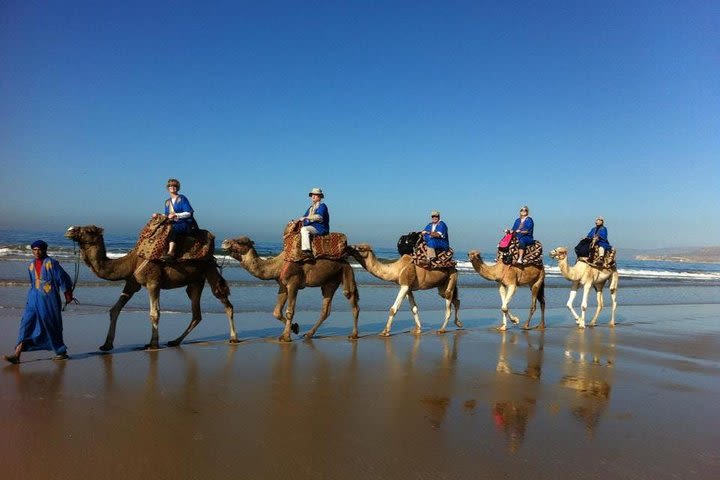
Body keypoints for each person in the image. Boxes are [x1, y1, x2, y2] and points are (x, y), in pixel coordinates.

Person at [4, 240, 74, 364]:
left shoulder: (52, 263)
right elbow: (33, 283)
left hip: (49, 300)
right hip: (33, 300)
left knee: (51, 325)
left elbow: (63, 278)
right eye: (34, 249)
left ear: (45, 250)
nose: (37, 252)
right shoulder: (30, 265)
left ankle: (61, 352)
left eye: (39, 249)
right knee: (25, 324)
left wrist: (68, 294)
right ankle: (17, 354)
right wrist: (30, 298)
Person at [153, 178, 197, 261]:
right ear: (168, 188)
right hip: (172, 222)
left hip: (185, 223)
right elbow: (167, 215)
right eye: (170, 186)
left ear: (178, 187)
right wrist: (158, 215)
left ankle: (171, 252)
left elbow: (189, 213)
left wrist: (176, 215)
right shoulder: (167, 202)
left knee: (171, 229)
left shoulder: (182, 198)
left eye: (175, 186)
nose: (172, 187)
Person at [298, 187, 330, 256]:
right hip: (312, 227)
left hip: (320, 228)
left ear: (320, 197)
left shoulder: (322, 206)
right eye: (312, 195)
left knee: (304, 229)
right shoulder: (311, 208)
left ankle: (307, 250)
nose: (313, 196)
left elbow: (319, 217)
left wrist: (306, 218)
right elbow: (304, 217)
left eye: (315, 195)